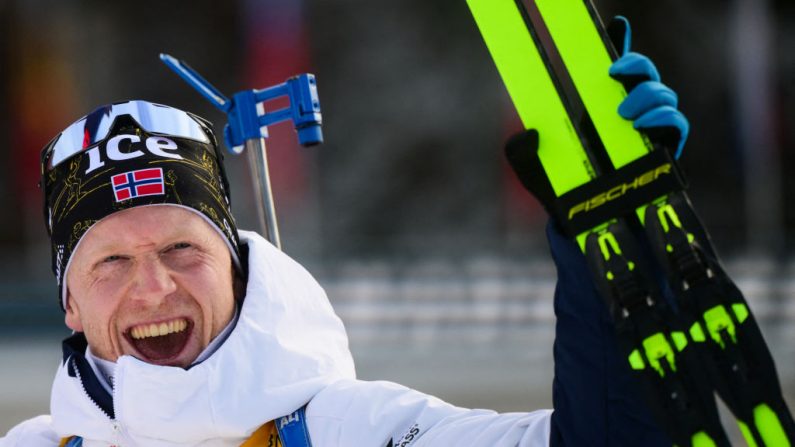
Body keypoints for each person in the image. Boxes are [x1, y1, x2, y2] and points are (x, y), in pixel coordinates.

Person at [1, 18, 686, 447]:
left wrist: (608, 246)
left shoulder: (351, 429)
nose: (153, 286)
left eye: (182, 247)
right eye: (111, 261)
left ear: (239, 264)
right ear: (69, 300)